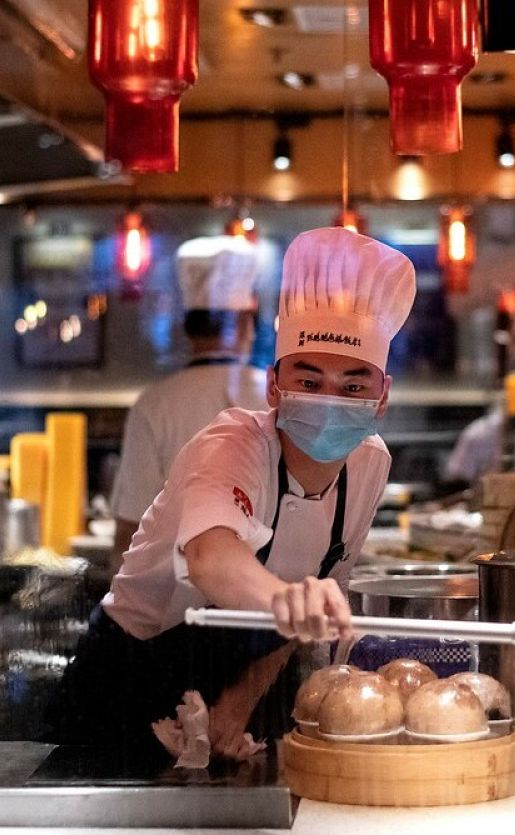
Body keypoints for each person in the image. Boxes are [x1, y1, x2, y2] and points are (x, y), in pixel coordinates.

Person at [46, 227, 416, 765]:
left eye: (354, 386)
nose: (330, 401)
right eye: (309, 383)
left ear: (381, 398)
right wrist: (285, 601)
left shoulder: (369, 465)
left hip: (230, 684)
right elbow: (211, 557)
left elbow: (313, 608)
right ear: (272, 385)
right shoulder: (233, 442)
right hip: (125, 681)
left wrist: (238, 702)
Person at [108, 235, 267, 574]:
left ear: (187, 328)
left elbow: (128, 531)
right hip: (267, 595)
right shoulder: (275, 393)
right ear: (244, 325)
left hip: (172, 605)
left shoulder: (154, 404)